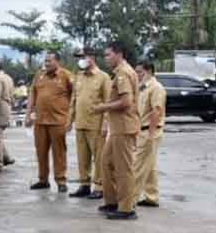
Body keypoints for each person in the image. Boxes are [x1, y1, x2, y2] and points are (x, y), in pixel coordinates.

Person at [92, 41, 141, 220]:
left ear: (118, 54)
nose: (106, 59)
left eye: (108, 55)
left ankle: (127, 208)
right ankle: (112, 201)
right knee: (106, 163)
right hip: (117, 127)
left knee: (123, 168)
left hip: (125, 127)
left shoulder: (123, 73)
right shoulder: (120, 72)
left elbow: (126, 102)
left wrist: (103, 107)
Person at [67, 47, 112, 199]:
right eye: (78, 57)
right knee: (82, 157)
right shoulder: (79, 76)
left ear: (91, 57)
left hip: (96, 124)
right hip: (80, 123)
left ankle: (99, 186)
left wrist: (106, 124)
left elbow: (108, 102)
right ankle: (84, 184)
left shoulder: (103, 77)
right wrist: (70, 120)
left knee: (98, 157)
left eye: (82, 56)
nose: (79, 60)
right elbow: (74, 100)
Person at [25, 51, 73, 192]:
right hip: (40, 121)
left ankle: (61, 181)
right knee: (40, 152)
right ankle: (43, 180)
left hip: (58, 121)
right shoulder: (39, 75)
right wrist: (28, 115)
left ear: (58, 61)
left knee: (59, 153)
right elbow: (32, 95)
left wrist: (71, 118)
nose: (46, 63)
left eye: (49, 61)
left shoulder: (66, 75)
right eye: (45, 61)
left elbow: (74, 95)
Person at [134, 60, 166, 208]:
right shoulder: (143, 88)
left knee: (138, 167)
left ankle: (128, 201)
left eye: (140, 72)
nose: (137, 75)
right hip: (142, 130)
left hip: (149, 131)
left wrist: (151, 135)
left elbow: (157, 111)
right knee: (150, 166)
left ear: (149, 71)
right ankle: (152, 197)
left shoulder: (156, 88)